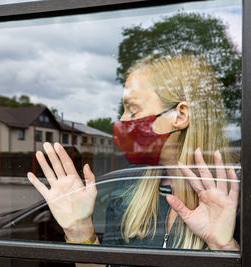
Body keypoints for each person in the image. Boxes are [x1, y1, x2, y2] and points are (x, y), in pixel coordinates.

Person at [26, 54, 240, 266]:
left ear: (180, 115)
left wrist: (224, 248)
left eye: (132, 109)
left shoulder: (234, 202)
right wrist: (79, 229)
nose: (122, 120)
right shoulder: (127, 192)